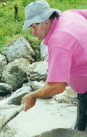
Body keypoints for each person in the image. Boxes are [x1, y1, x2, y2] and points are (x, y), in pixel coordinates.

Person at [21, 0, 87, 133]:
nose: (32, 32)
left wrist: (32, 96)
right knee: (79, 130)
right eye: (30, 27)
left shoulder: (59, 42)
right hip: (83, 88)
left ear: (46, 20)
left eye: (35, 26)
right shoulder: (69, 15)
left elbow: (57, 86)